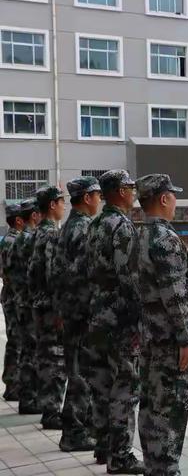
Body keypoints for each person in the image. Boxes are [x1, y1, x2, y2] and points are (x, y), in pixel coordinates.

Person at [136, 173, 188, 476]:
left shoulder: (138, 235)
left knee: (150, 404)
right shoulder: (164, 239)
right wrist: (186, 340)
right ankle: (165, 469)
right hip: (168, 339)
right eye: (173, 196)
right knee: (170, 409)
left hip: (148, 333)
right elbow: (175, 295)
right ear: (163, 199)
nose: (176, 201)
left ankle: (153, 466)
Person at [86, 169, 143, 474]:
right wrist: (138, 323)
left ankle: (102, 445)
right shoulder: (121, 226)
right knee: (125, 384)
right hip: (120, 319)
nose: (134, 192)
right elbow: (130, 280)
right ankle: (120, 456)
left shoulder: (94, 225)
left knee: (101, 382)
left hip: (97, 315)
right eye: (131, 187)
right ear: (120, 191)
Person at [53, 176, 101, 452]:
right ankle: (73, 431)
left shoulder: (69, 226)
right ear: (87, 198)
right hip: (81, 312)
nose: (99, 200)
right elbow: (85, 275)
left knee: (76, 369)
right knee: (81, 372)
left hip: (71, 310)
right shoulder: (83, 229)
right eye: (96, 195)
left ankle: (77, 425)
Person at [28, 186, 67, 429]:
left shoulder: (35, 233)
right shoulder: (51, 234)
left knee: (44, 356)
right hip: (51, 307)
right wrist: (60, 309)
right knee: (54, 359)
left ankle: (47, 406)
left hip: (38, 303)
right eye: (61, 202)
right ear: (52, 205)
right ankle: (52, 412)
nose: (64, 206)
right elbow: (54, 275)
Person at [8, 198, 42, 414]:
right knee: (31, 351)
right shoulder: (28, 240)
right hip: (29, 302)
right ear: (35, 216)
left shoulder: (18, 240)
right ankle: (29, 398)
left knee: (25, 349)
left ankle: (24, 394)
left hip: (20, 299)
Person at [0, 203, 24, 401]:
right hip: (14, 296)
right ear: (18, 220)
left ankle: (12, 382)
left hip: (10, 295)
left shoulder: (8, 239)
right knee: (16, 341)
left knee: (14, 340)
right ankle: (13, 385)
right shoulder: (13, 241)